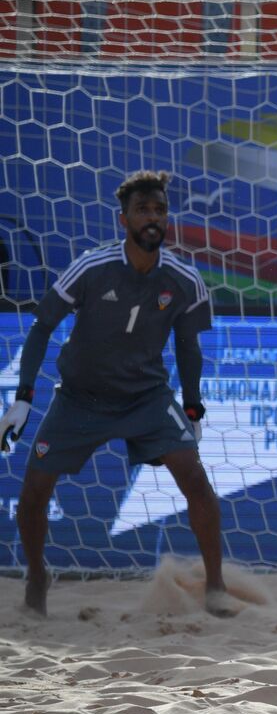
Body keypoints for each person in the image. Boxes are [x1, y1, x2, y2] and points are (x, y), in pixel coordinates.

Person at [0, 171, 236, 618]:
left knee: (197, 481)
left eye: (160, 210)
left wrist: (192, 405)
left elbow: (188, 346)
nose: (152, 218)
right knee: (33, 492)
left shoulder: (184, 280)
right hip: (79, 398)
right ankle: (36, 577)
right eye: (143, 210)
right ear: (123, 218)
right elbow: (41, 326)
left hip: (146, 397)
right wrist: (24, 398)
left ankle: (216, 588)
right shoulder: (93, 267)